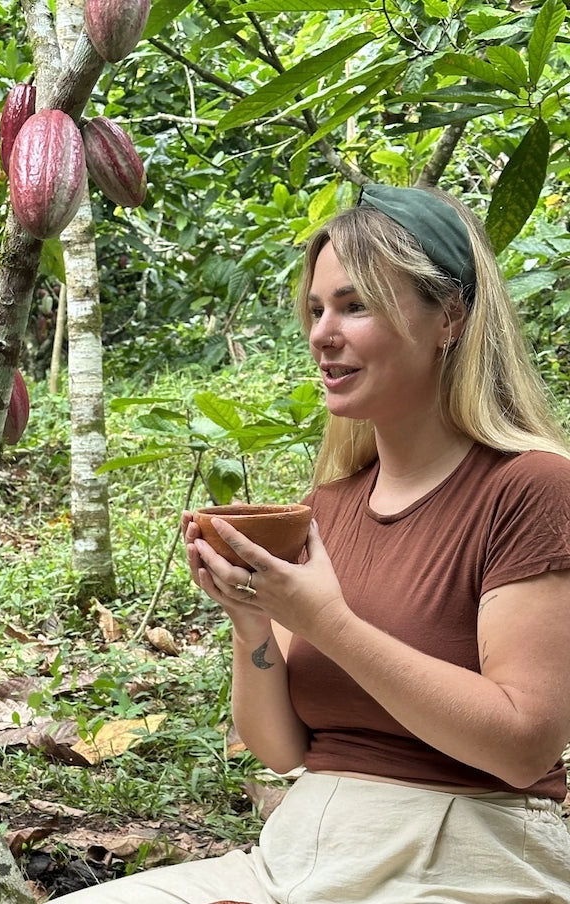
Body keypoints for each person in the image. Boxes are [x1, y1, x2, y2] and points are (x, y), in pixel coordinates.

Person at [53, 184, 570, 903]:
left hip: (466, 856)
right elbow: (284, 748)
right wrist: (253, 618)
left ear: (449, 316)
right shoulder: (328, 504)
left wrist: (327, 620)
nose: (323, 333)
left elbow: (522, 747)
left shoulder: (532, 488)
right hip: (300, 855)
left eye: (355, 306)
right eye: (316, 309)